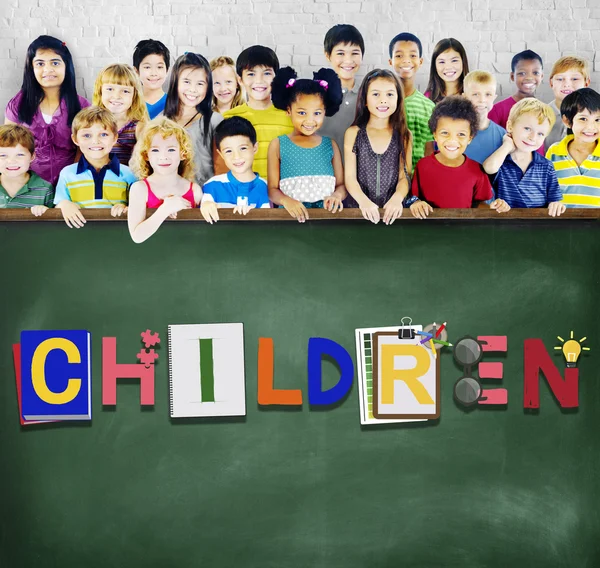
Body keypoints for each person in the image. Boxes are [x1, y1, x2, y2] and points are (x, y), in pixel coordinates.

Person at [4, 35, 89, 185]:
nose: (48, 69)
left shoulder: (82, 106)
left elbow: (84, 150)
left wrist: (70, 180)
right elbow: (8, 146)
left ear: (66, 66)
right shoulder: (17, 105)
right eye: (40, 63)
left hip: (70, 184)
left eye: (55, 63)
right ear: (32, 68)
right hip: (27, 186)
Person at [267, 67, 346, 223]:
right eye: (302, 113)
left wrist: (337, 196)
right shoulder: (278, 145)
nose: (310, 120)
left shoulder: (330, 145)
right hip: (290, 219)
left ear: (324, 112)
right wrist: (286, 201)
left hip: (327, 219)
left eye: (317, 113)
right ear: (289, 110)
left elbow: (341, 185)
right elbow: (272, 190)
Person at [409, 96, 509, 218]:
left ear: (470, 138)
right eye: (445, 133)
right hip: (429, 233)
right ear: (435, 135)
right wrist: (417, 203)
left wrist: (495, 207)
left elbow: (479, 204)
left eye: (461, 134)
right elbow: (413, 198)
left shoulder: (477, 170)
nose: (452, 140)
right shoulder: (423, 166)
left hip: (464, 234)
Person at [343, 69, 413, 225]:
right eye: (376, 94)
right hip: (358, 211)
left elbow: (405, 177)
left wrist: (397, 199)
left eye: (389, 94)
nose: (383, 100)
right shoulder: (354, 133)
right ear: (365, 100)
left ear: (398, 99)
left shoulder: (404, 135)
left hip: (393, 213)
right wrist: (364, 202)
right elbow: (350, 178)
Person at [53, 106, 136, 228]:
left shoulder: (129, 174)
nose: (95, 141)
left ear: (115, 138)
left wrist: (127, 208)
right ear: (75, 139)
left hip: (118, 235)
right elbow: (59, 204)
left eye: (103, 134)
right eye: (87, 135)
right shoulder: (67, 173)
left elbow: (139, 206)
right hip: (79, 236)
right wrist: (64, 204)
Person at [483, 98, 565, 216]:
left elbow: (554, 200)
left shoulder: (546, 166)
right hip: (505, 225)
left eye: (540, 134)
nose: (532, 137)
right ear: (510, 126)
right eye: (527, 129)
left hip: (537, 227)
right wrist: (507, 145)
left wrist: (555, 204)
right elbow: (489, 168)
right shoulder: (500, 161)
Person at [223, 45, 293, 179]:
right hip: (246, 194)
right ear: (240, 80)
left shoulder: (290, 115)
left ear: (276, 78)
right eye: (251, 74)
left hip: (284, 194)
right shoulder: (230, 118)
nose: (259, 80)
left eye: (267, 73)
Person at [128, 117, 202, 242]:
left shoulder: (195, 190)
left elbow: (200, 231)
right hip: (152, 258)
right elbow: (137, 236)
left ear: (183, 153)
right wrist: (165, 209)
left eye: (171, 149)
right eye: (155, 150)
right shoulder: (139, 189)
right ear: (146, 155)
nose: (163, 156)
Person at [163, 52, 224, 186]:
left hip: (206, 199)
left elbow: (222, 168)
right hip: (169, 197)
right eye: (187, 82)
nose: (193, 89)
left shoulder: (215, 121)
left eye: (200, 84)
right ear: (175, 82)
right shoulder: (161, 121)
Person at [201, 117, 270, 224]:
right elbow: (204, 210)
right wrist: (206, 205)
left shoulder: (266, 187)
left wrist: (254, 215)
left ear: (255, 147)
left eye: (243, 148)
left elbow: (268, 224)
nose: (236, 157)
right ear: (221, 154)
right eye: (228, 151)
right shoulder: (212, 185)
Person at [546, 88, 600, 208]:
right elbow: (545, 189)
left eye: (598, 120)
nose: (591, 127)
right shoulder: (554, 152)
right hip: (563, 224)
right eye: (583, 119)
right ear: (567, 121)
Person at [388, 32, 435, 169]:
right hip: (386, 181)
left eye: (412, 55)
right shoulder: (381, 103)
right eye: (399, 55)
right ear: (390, 61)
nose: (406, 60)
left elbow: (428, 151)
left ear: (420, 61)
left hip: (416, 181)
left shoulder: (428, 106)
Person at [319, 24, 365, 158]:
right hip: (322, 174)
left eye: (355, 53)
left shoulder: (368, 97)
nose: (348, 60)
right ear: (328, 55)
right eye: (340, 53)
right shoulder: (317, 95)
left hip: (357, 176)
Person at [93, 63, 149, 166]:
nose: (116, 96)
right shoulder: (91, 124)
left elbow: (145, 165)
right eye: (110, 89)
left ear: (134, 96)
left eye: (125, 91)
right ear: (100, 91)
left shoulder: (139, 128)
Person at [0, 124, 54, 214]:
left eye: (20, 155)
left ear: (32, 157)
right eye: (3, 155)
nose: (11, 161)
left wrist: (45, 212)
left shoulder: (45, 189)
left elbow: (54, 223)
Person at [488, 50, 543, 130]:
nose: (529, 78)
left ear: (541, 76)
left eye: (535, 73)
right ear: (512, 76)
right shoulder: (498, 110)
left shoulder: (544, 110)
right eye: (522, 73)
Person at [545, 56, 590, 152]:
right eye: (560, 79)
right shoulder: (540, 114)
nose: (567, 84)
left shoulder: (596, 116)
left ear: (586, 83)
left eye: (574, 79)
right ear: (551, 83)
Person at [463, 70, 506, 165]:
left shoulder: (502, 135)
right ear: (465, 97)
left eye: (488, 94)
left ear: (494, 98)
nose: (482, 100)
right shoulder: (454, 130)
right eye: (475, 94)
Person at [133, 39, 171, 119]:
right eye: (147, 67)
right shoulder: (130, 102)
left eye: (159, 67)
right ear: (136, 71)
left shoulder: (174, 103)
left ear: (167, 70)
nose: (154, 73)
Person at [424, 38, 469, 103]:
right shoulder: (428, 98)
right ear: (435, 66)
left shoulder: (474, 95)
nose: (448, 67)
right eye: (442, 62)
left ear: (463, 62)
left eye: (454, 60)